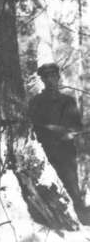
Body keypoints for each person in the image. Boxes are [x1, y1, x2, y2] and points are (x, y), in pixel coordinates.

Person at [28, 63, 89, 224]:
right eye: (46, 77)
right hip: (45, 150)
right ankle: (52, 219)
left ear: (58, 77)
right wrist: (50, 130)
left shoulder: (68, 101)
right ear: (41, 79)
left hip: (66, 150)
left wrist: (68, 133)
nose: (50, 80)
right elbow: (32, 127)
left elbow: (77, 126)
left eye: (53, 76)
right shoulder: (36, 102)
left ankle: (81, 219)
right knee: (49, 186)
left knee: (72, 186)